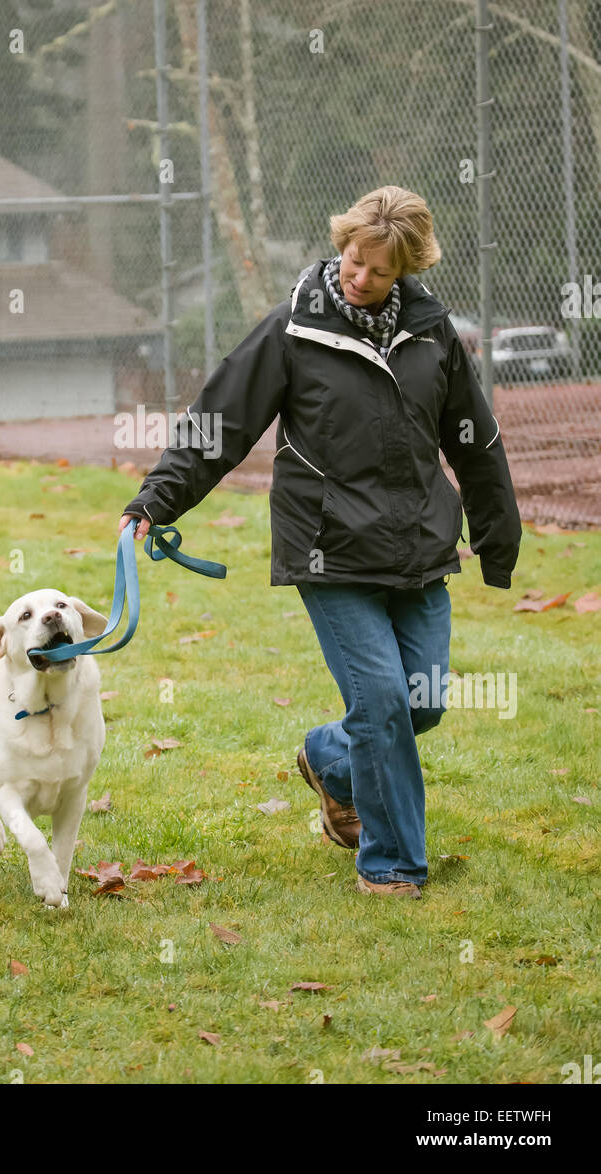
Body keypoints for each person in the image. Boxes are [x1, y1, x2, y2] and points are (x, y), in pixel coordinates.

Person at [119, 186, 521, 899]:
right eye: (351, 258)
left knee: (419, 704)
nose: (356, 276)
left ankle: (326, 758)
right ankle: (392, 864)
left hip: (420, 550)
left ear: (406, 271)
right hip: (329, 551)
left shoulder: (434, 337)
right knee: (383, 704)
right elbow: (221, 421)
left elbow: (475, 441)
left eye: (376, 270)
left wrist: (496, 537)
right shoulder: (293, 331)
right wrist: (158, 496)